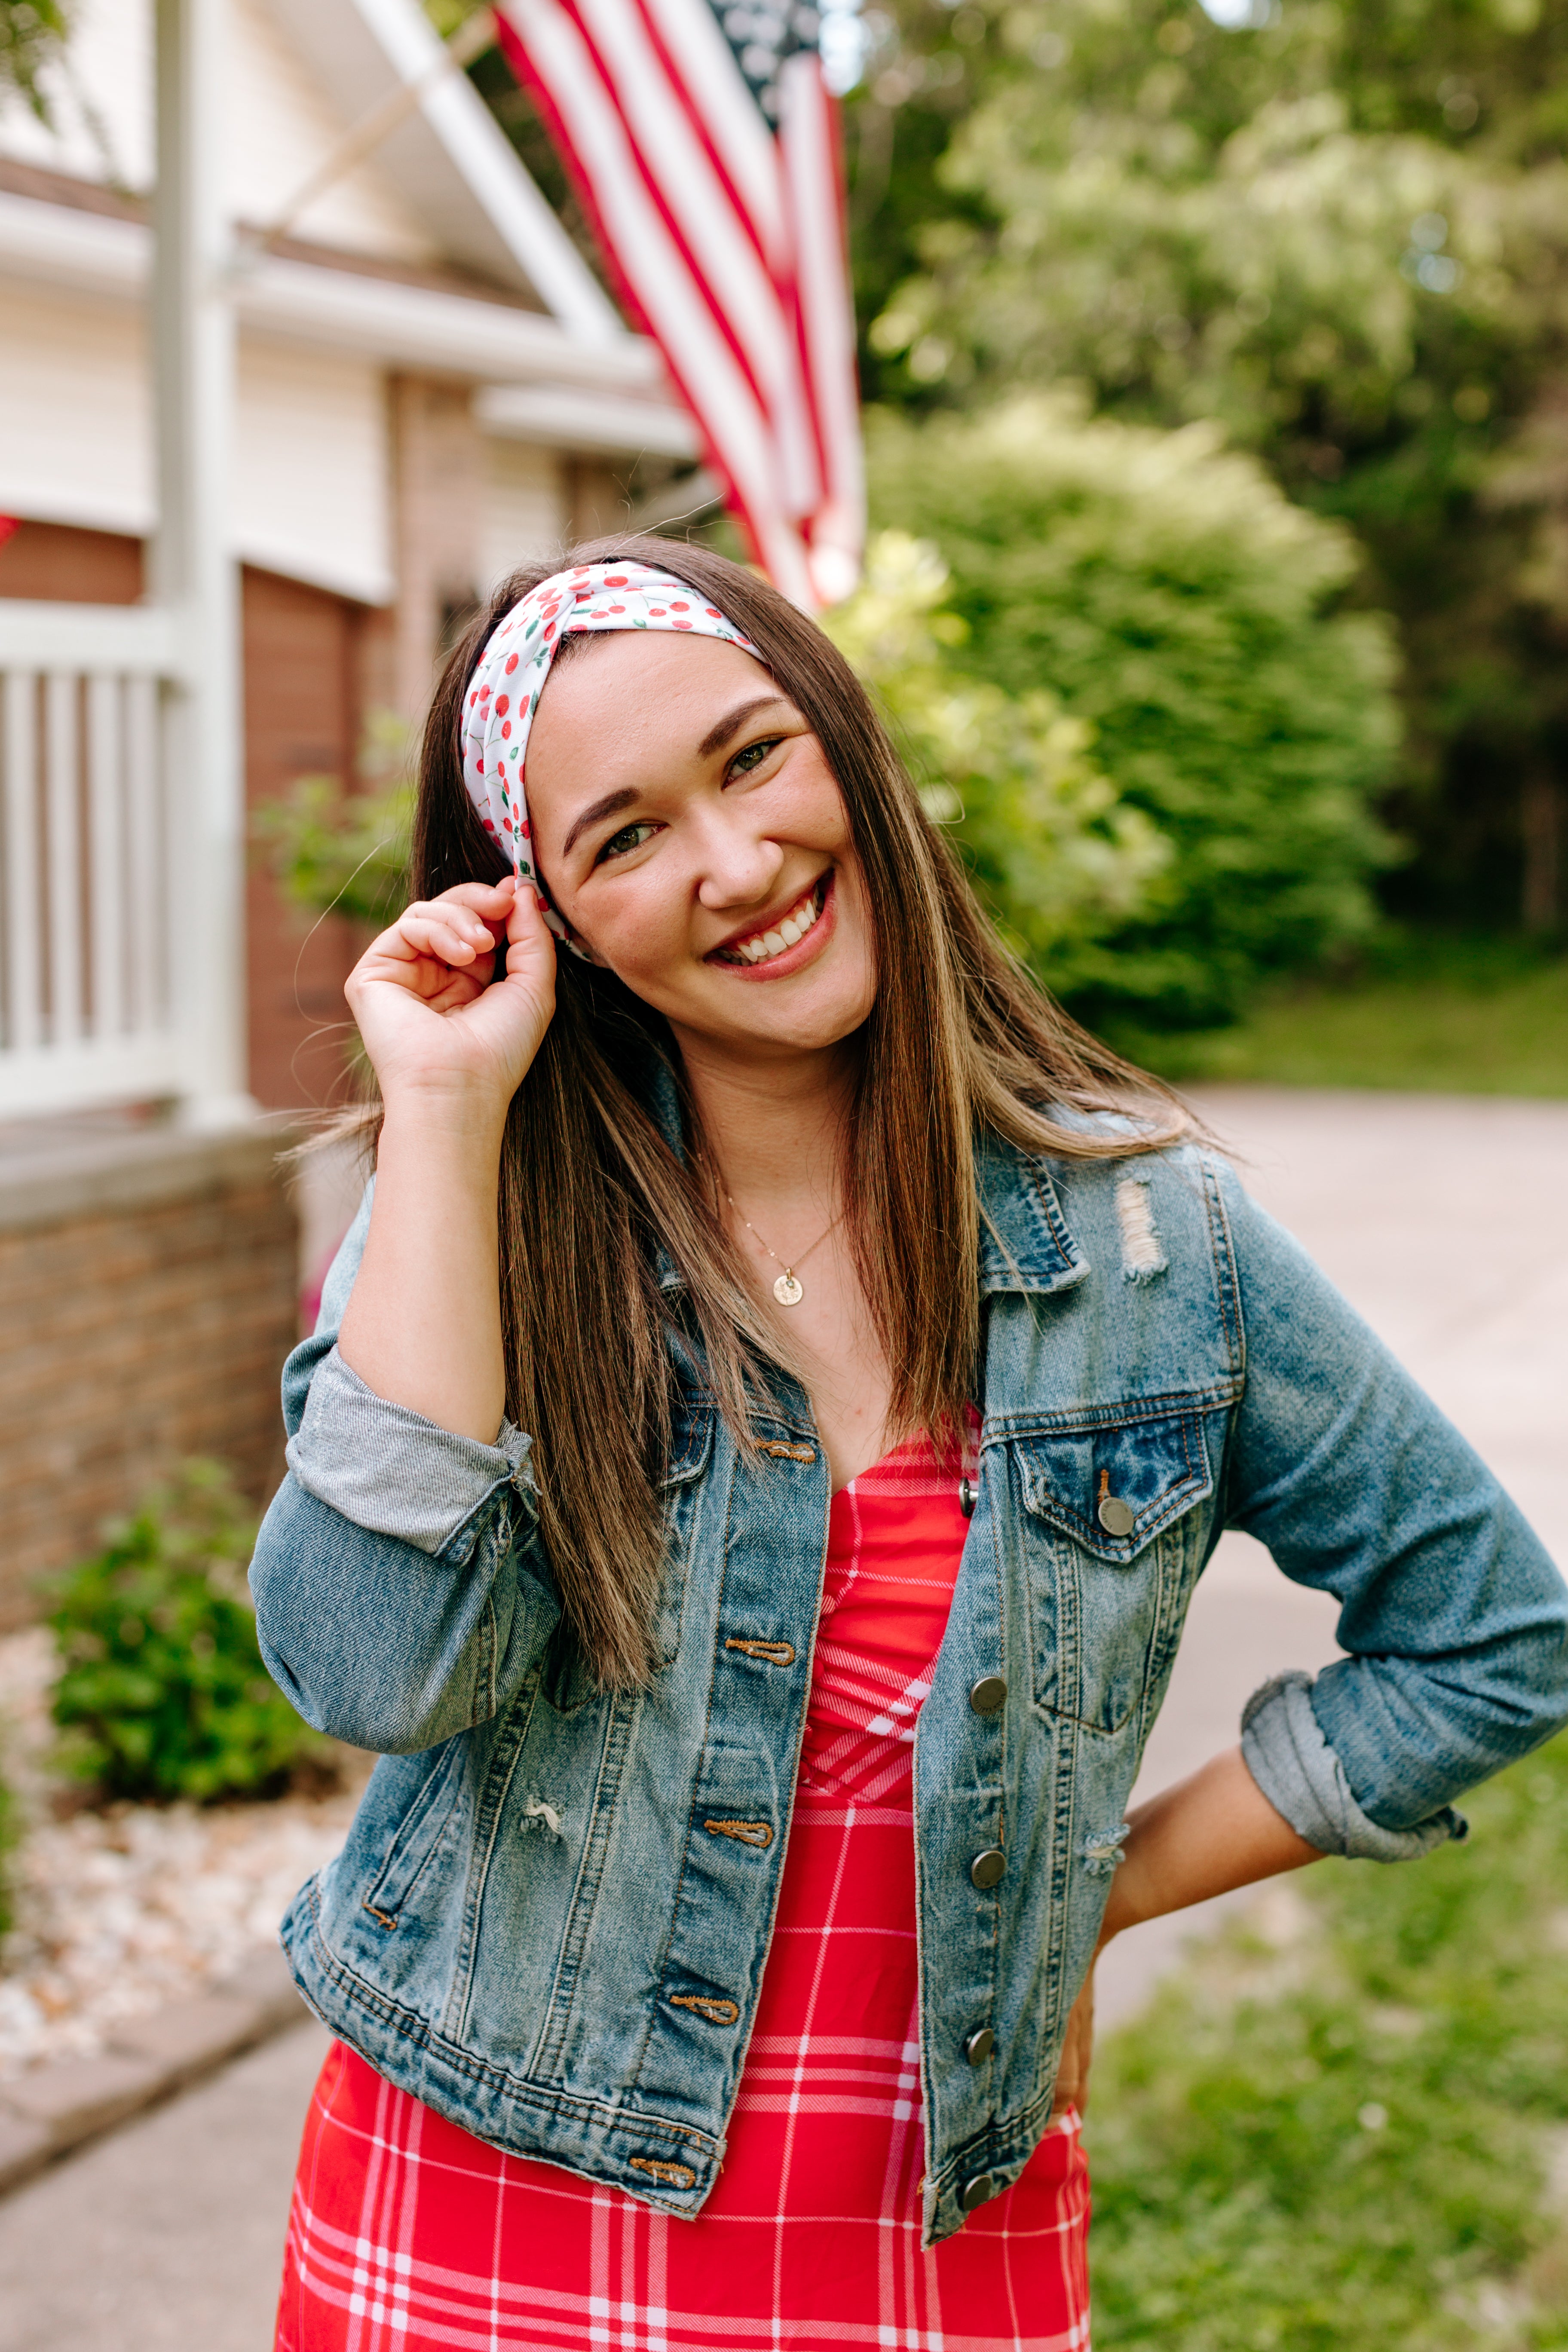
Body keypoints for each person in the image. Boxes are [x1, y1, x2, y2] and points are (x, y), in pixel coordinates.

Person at [252, 539, 1568, 2352]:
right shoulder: (485, 1233)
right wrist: (446, 1109)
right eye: (620, 840)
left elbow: (1492, 1633)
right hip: (480, 2228)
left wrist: (1106, 1891)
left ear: (850, 745)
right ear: (540, 914)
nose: (732, 866)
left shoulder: (1154, 1248)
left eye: (753, 758)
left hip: (936, 2244)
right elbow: (365, 1667)